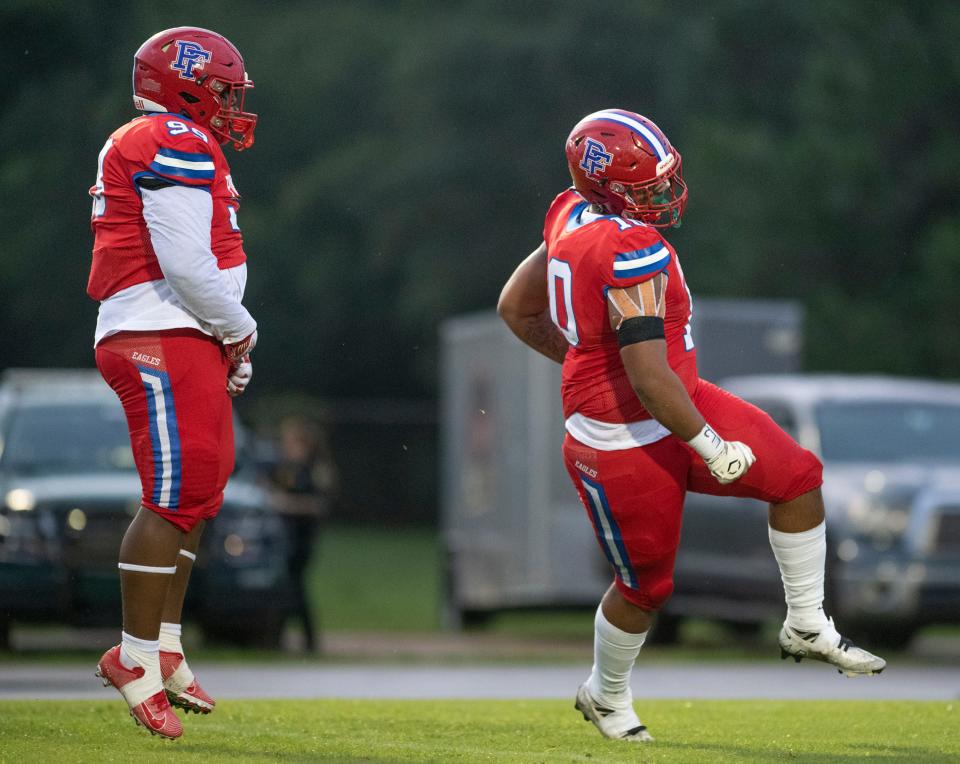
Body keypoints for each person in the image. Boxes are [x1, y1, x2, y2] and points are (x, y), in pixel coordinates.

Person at [497, 109, 885, 743]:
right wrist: (708, 441)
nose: (662, 195)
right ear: (609, 187)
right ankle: (606, 694)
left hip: (680, 398)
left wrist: (582, 355)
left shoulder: (571, 211)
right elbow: (647, 377)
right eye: (646, 186)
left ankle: (806, 622)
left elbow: (515, 306)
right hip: (622, 439)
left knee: (797, 478)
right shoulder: (629, 246)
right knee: (646, 587)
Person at [87, 27, 259, 739]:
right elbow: (185, 264)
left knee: (200, 493)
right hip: (162, 326)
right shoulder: (175, 141)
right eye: (224, 90)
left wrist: (226, 333)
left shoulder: (172, 138)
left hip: (181, 329)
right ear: (187, 85)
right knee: (173, 495)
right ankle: (133, 656)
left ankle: (161, 641)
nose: (232, 105)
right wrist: (239, 326)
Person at [268, 416, 338, 653]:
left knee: (295, 588)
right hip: (285, 537)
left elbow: (318, 504)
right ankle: (282, 639)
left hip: (302, 538)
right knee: (289, 588)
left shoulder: (314, 470)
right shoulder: (286, 468)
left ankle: (306, 641)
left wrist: (285, 503)